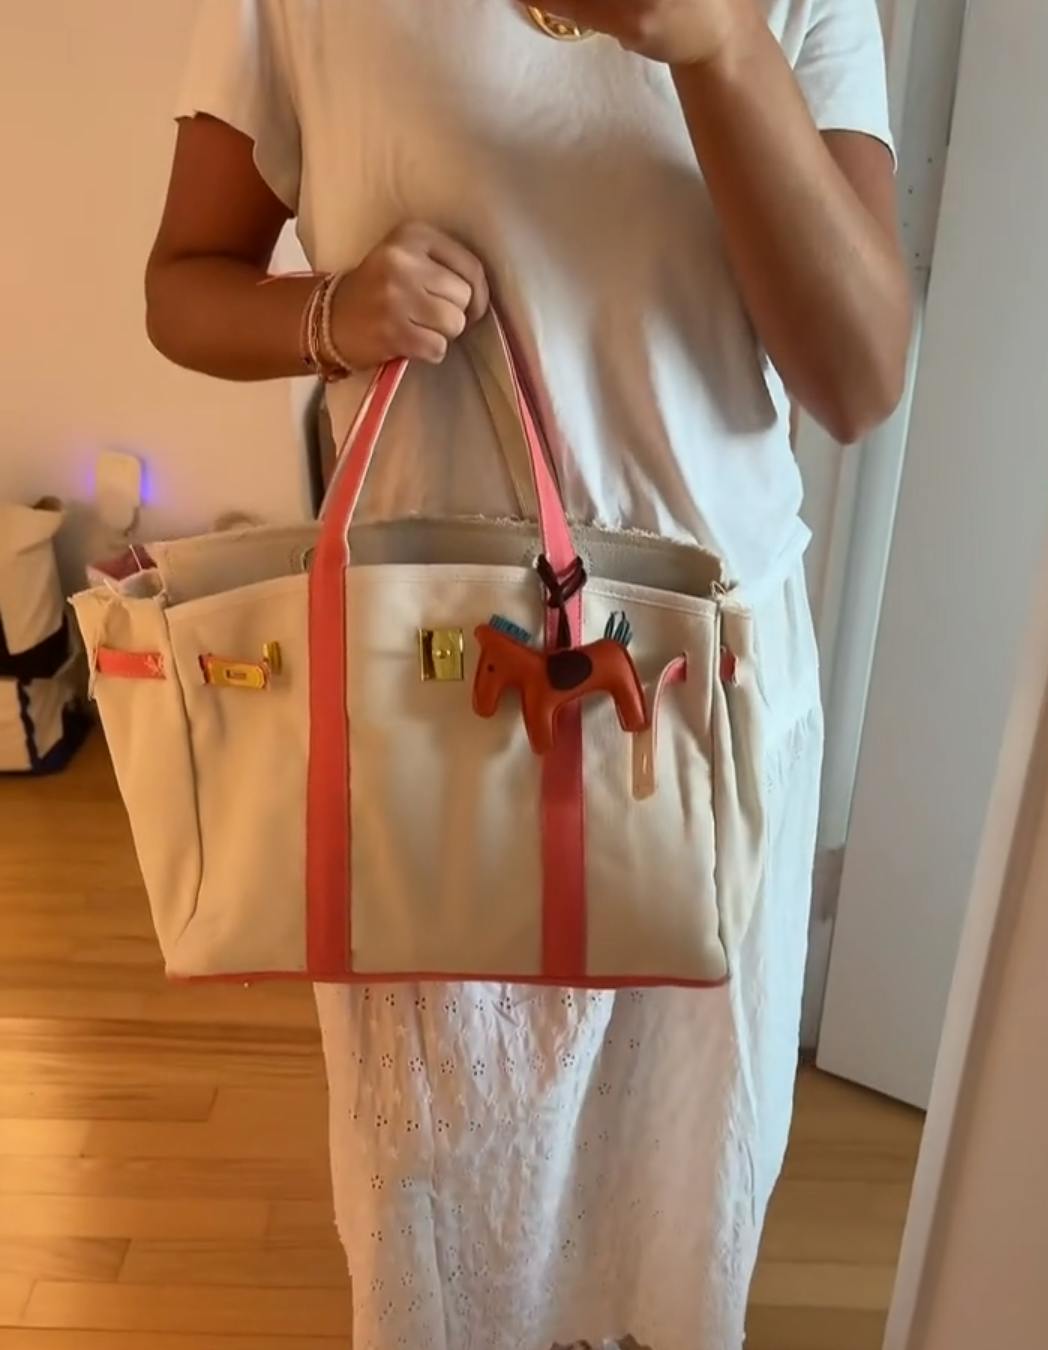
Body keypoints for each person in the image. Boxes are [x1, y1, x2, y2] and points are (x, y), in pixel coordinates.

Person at [146, 1, 910, 1346]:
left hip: (702, 705)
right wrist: (330, 314)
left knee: (680, 1226)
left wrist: (720, 44)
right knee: (441, 1217)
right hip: (435, 697)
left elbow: (856, 380)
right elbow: (183, 285)